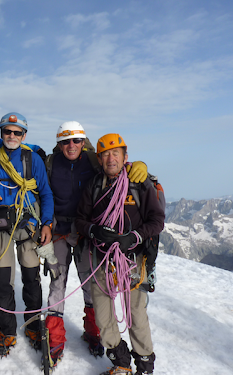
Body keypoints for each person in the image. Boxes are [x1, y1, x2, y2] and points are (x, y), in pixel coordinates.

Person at [44, 122, 149, 368]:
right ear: (59, 144)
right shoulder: (50, 163)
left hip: (86, 232)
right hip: (59, 230)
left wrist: (140, 166)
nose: (71, 145)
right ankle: (55, 339)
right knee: (57, 283)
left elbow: (117, 165)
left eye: (77, 141)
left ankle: (94, 333)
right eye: (66, 141)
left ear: (84, 142)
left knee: (90, 283)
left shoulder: (93, 160)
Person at [75, 134, 165, 375]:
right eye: (105, 154)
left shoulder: (139, 184)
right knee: (103, 317)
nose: (110, 158)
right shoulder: (95, 186)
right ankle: (121, 362)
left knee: (135, 313)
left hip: (132, 259)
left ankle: (145, 366)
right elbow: (81, 220)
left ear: (125, 157)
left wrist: (134, 237)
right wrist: (94, 230)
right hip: (102, 257)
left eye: (115, 153)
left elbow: (157, 221)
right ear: (100, 159)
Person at [0, 112, 58, 357]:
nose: (11, 136)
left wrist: (46, 224)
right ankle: (7, 330)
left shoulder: (32, 160)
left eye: (17, 132)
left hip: (28, 225)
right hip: (1, 226)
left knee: (31, 278)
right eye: (7, 131)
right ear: (1, 133)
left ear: (24, 135)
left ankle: (33, 325)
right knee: (2, 281)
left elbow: (45, 194)